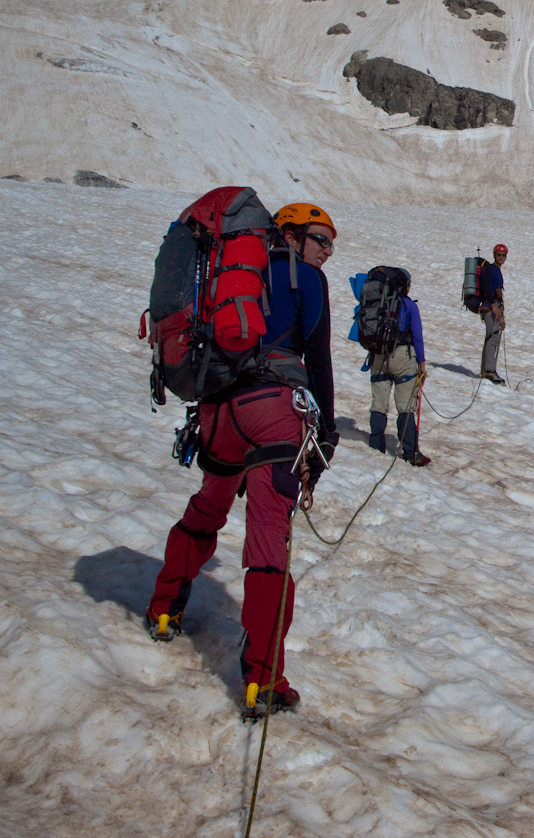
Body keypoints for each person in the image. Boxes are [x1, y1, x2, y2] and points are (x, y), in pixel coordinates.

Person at [145, 202, 338, 717]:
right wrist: (328, 434)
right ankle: (262, 679)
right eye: (321, 239)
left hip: (218, 409)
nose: (327, 251)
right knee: (268, 538)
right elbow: (316, 359)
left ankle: (165, 607)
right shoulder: (308, 280)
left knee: (209, 507)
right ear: (292, 236)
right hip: (274, 411)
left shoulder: (230, 272)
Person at [367, 274, 430, 466]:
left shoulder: (378, 304)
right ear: (407, 286)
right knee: (406, 406)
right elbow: (417, 336)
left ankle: (376, 445)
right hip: (403, 358)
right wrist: (421, 363)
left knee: (379, 403)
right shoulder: (409, 306)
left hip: (378, 356)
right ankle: (410, 451)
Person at [478, 243, 507, 384]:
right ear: (494, 255)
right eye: (499, 255)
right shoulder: (491, 269)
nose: (501, 257)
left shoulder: (494, 270)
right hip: (490, 308)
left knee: (491, 337)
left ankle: (486, 370)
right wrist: (495, 307)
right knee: (493, 338)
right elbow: (487, 288)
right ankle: (489, 371)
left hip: (492, 307)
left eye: (503, 255)